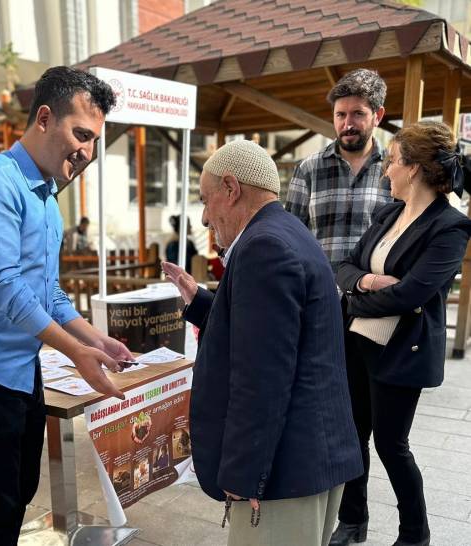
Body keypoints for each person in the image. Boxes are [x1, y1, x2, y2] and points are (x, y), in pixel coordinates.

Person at [0, 66, 133, 545]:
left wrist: (95, 338)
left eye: (95, 140)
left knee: (20, 491)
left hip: (17, 368)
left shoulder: (46, 197)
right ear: (44, 118)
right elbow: (4, 286)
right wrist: (74, 353)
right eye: (81, 134)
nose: (88, 152)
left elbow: (48, 293)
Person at [162, 140, 363, 546]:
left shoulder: (263, 247)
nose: (204, 217)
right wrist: (200, 300)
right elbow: (270, 331)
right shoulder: (288, 232)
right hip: (309, 458)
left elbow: (262, 379)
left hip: (283, 472)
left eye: (205, 199)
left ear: (231, 188)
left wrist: (242, 474)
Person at [332, 121, 471, 546]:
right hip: (356, 342)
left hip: (400, 352)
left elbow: (412, 293)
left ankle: (415, 534)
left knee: (392, 447)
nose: (386, 170)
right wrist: (369, 283)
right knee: (352, 438)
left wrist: (353, 295)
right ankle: (352, 522)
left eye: (392, 161)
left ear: (412, 168)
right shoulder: (388, 213)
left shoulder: (449, 227)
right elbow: (346, 267)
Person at [286, 68, 391, 272]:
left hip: (374, 297)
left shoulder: (395, 169)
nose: (347, 124)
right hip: (319, 295)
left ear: (377, 116)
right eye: (340, 115)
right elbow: (290, 238)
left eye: (358, 114)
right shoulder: (308, 169)